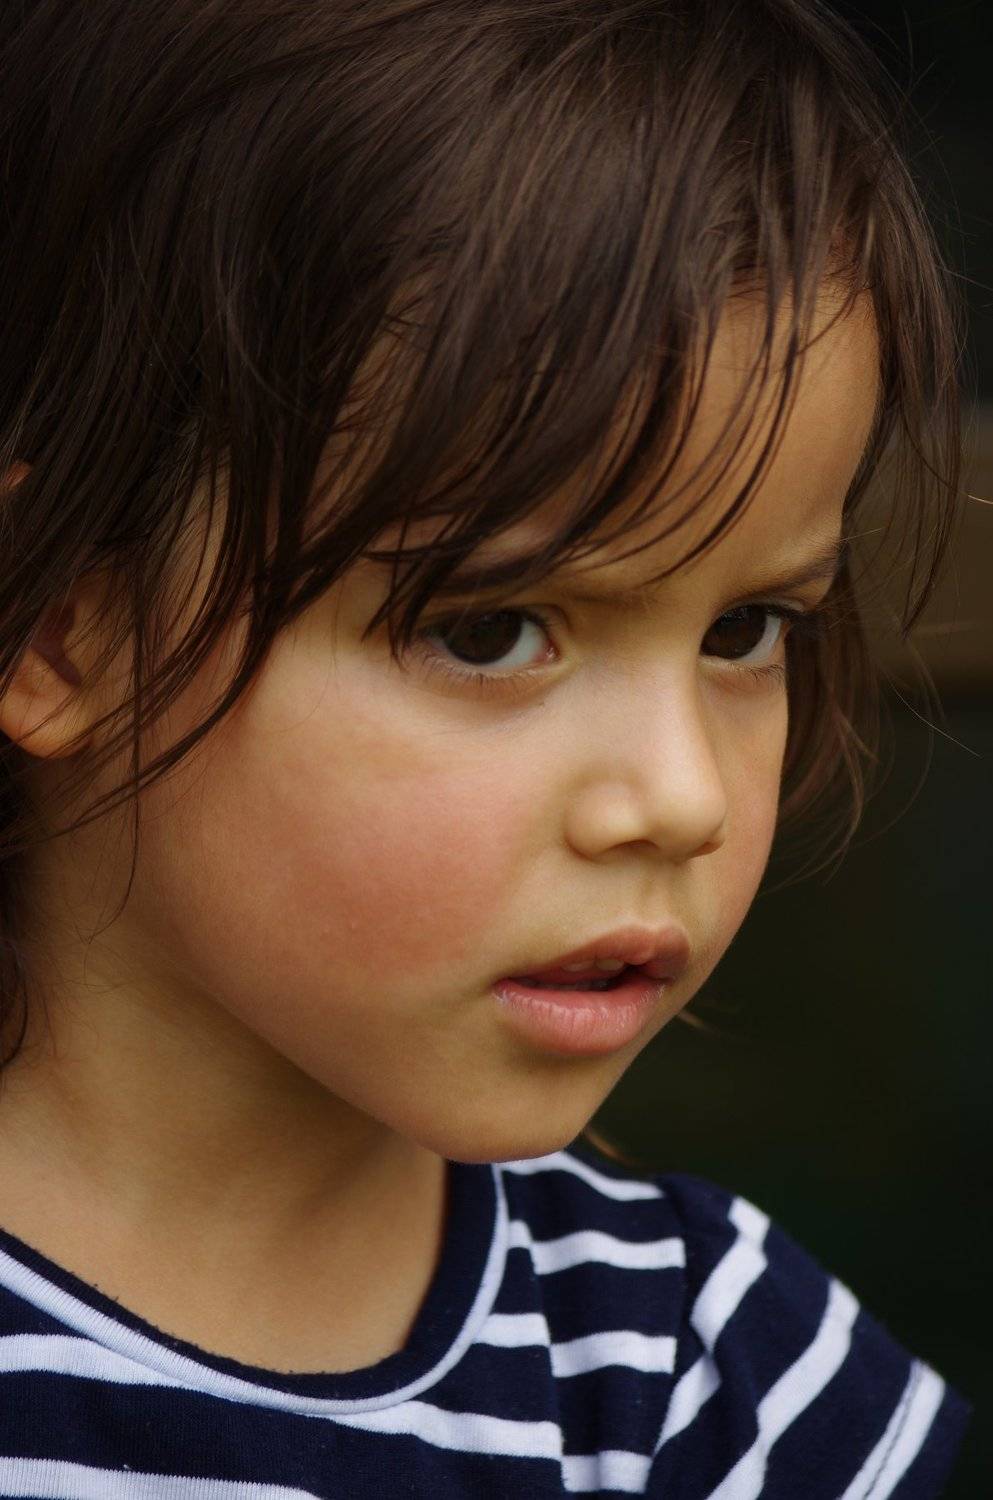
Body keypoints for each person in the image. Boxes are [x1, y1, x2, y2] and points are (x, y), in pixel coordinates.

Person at [0, 0, 971, 1495]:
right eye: (491, 631)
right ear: (59, 627)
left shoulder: (717, 1378)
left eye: (745, 630)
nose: (679, 800)